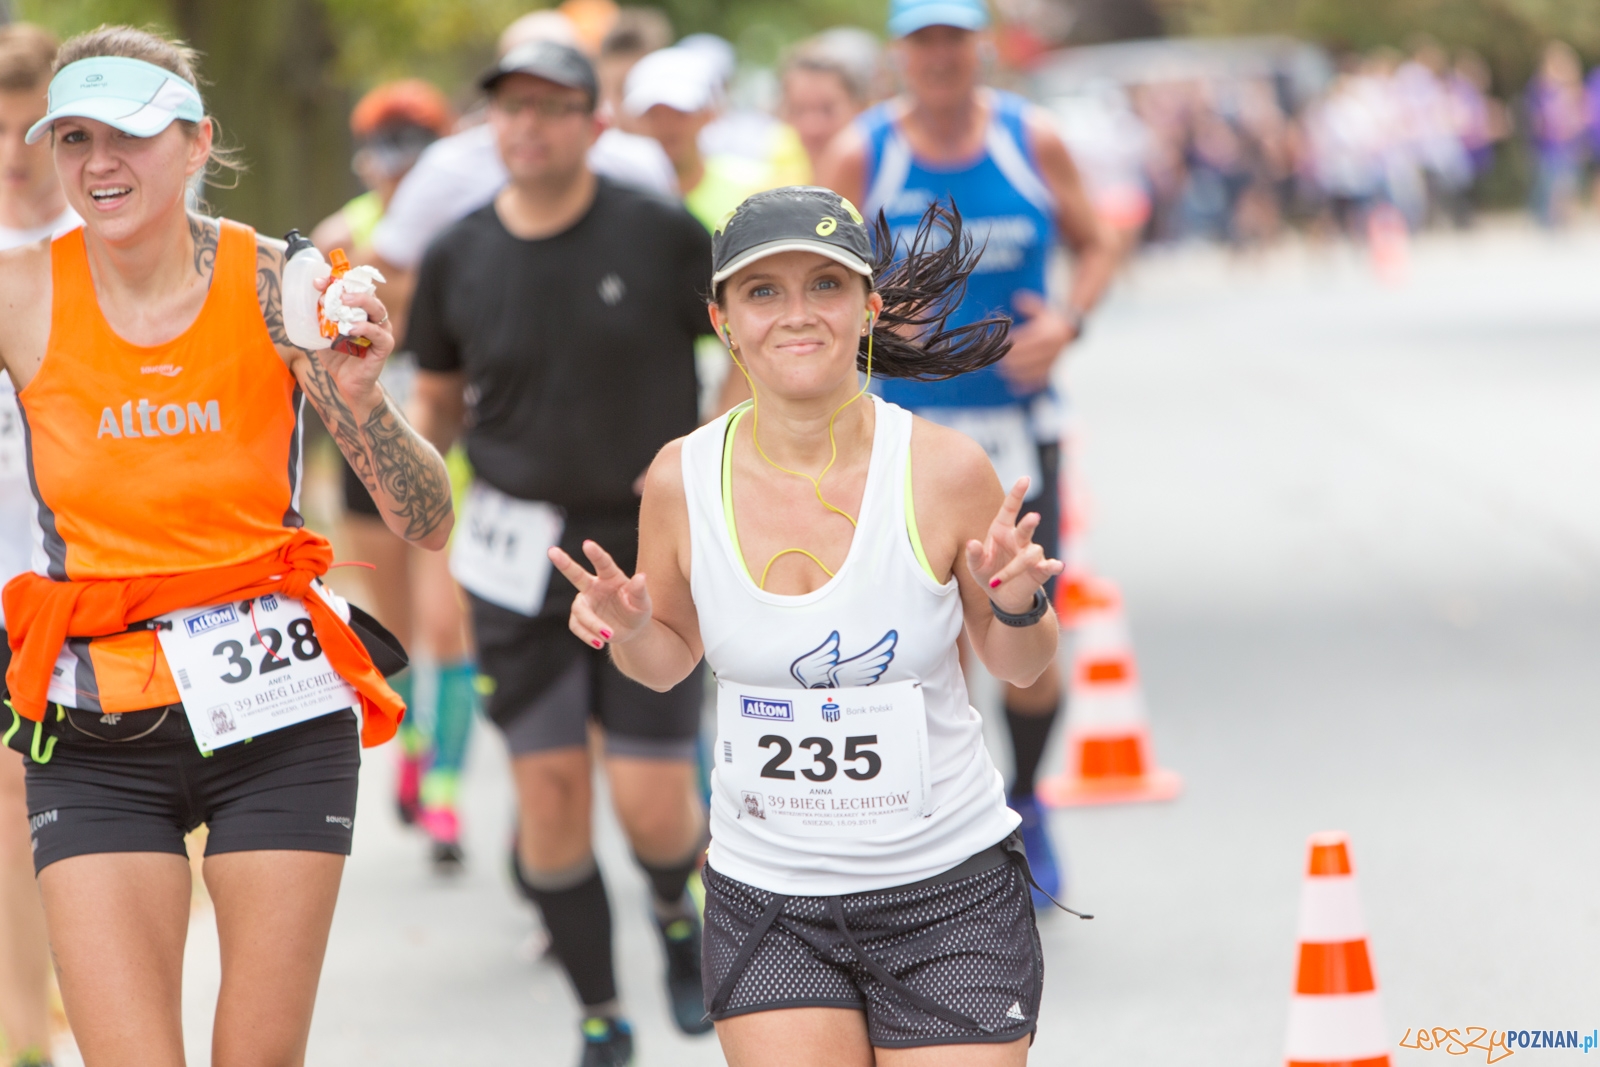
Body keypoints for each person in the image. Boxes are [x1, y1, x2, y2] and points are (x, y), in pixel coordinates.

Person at [0, 24, 452, 1065]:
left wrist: (358, 395)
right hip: (95, 726)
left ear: (199, 141)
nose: (99, 164)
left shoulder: (282, 283)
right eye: (73, 138)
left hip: (276, 719)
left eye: (131, 135)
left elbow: (426, 518)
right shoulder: (24, 293)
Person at [549, 185, 1067, 1065]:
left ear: (867, 307)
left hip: (947, 889)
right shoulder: (682, 477)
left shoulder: (943, 468)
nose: (797, 315)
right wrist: (631, 627)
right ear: (722, 320)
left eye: (825, 286)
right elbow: (668, 665)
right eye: (763, 292)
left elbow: (1018, 665)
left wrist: (1018, 601)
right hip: (769, 896)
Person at [406, 41, 713, 1066]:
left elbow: (743, 356)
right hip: (513, 553)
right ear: (492, 123)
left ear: (594, 121)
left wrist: (702, 466)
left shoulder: (662, 235)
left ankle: (676, 907)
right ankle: (599, 1012)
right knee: (546, 791)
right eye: (510, 108)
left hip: (641, 554)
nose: (527, 125)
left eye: (551, 107)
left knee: (652, 799)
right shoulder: (457, 252)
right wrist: (408, 514)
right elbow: (437, 404)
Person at [816, 0, 1117, 907]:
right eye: (922, 40)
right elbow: (812, 276)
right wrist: (875, 315)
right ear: (900, 53)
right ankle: (944, 831)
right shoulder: (864, 153)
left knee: (1026, 630)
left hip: (1016, 434)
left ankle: (1028, 799)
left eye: (954, 37)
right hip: (902, 434)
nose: (939, 56)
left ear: (979, 44)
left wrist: (1068, 319)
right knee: (926, 641)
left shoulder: (1034, 138)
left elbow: (1098, 241)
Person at [310, 79, 477, 869]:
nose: (396, 164)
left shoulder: (469, 223)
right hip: (365, 445)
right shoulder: (343, 229)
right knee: (399, 624)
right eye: (382, 147)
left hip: (454, 442)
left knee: (452, 623)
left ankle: (445, 790)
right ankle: (412, 742)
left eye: (414, 146)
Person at [367, 12, 677, 338]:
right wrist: (474, 292)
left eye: (553, 100)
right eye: (516, 99)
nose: (530, 122)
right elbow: (383, 272)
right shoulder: (448, 168)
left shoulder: (637, 163)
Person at [0, 25, 78, 1067]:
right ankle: (25, 1033)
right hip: (8, 576)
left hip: (119, 578)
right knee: (15, 787)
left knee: (110, 800)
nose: (15, 147)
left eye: (32, 125)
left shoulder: (121, 233)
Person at [779, 34, 876, 181]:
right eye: (799, 110)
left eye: (827, 110)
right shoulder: (772, 189)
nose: (812, 127)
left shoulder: (887, 183)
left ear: (860, 108)